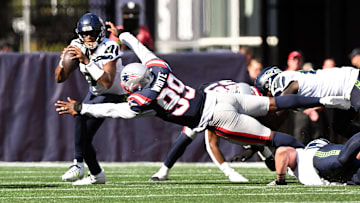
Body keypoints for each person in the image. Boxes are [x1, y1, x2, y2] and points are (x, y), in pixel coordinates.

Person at [55, 32, 348, 182]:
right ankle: (326, 100)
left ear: (133, 85)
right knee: (277, 102)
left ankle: (308, 163)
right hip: (219, 97)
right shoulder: (160, 69)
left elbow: (113, 110)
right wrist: (124, 34)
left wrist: (82, 108)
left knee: (270, 139)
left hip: (215, 116)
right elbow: (145, 53)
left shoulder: (140, 100)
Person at [150, 81, 273, 183]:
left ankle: (270, 157)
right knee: (188, 134)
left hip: (214, 94)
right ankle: (163, 171)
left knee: (249, 130)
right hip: (204, 105)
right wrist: (230, 173)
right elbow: (211, 144)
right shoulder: (222, 103)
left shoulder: (243, 90)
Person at [55, 13, 126, 185]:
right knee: (83, 135)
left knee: (80, 113)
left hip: (114, 94)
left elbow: (108, 82)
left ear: (100, 33)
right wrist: (62, 62)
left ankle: (78, 164)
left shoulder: (109, 46)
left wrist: (86, 61)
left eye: (92, 33)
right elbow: (59, 78)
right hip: (95, 92)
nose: (88, 37)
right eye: (85, 33)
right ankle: (96, 174)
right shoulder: (76, 45)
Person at [254, 66, 360, 141]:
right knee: (340, 126)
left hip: (352, 82)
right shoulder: (287, 80)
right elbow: (276, 123)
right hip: (348, 88)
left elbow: (276, 121)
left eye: (265, 94)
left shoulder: (279, 81)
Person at [268, 133, 360, 186]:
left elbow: (281, 152)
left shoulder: (301, 154)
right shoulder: (292, 170)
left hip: (317, 158)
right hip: (338, 177)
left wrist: (280, 181)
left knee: (340, 160)